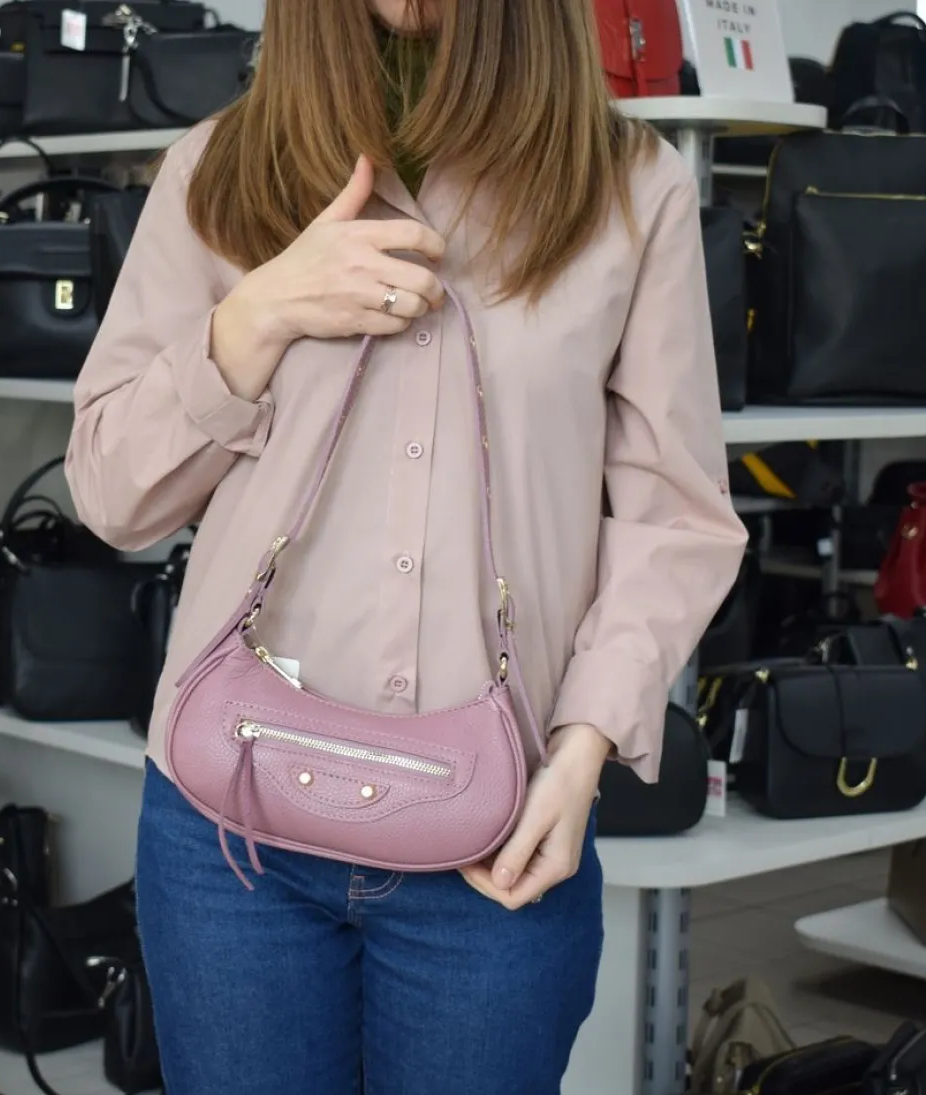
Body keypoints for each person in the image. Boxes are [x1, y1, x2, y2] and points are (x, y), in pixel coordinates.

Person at [65, 0, 747, 1091]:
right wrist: (255, 317)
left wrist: (582, 752)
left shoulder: (625, 186)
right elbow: (111, 495)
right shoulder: (220, 169)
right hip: (230, 838)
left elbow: (673, 513)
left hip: (499, 832)